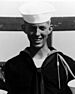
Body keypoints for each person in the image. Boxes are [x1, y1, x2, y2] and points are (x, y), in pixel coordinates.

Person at [4, 0, 75, 94]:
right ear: (24, 29)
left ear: (50, 29)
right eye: (32, 28)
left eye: (42, 28)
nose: (37, 34)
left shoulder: (66, 65)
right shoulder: (13, 65)